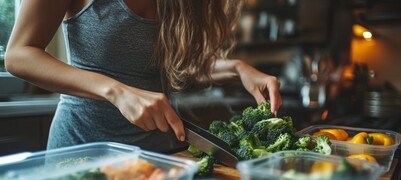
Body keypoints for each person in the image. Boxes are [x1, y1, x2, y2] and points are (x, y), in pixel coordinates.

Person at [5, 0, 282, 153]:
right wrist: (115, 90)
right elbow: (19, 54)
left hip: (157, 156)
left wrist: (236, 68)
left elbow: (176, 64)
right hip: (82, 151)